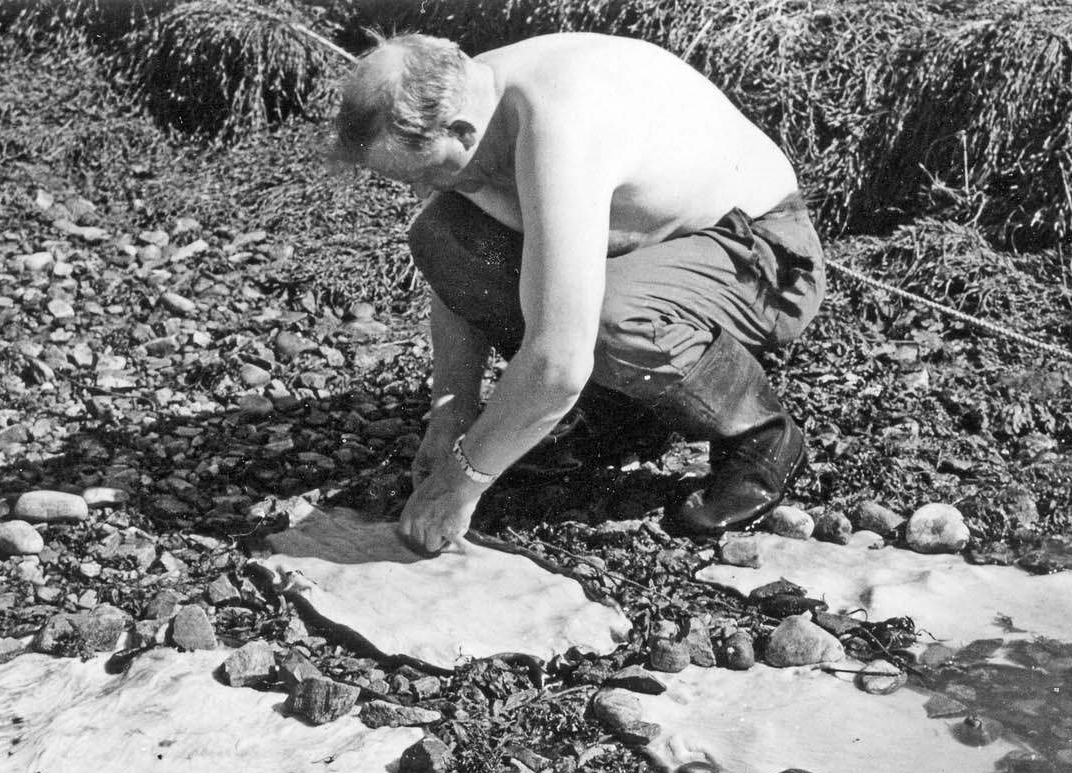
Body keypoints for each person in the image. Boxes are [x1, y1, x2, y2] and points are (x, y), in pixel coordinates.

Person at [328, 31, 825, 554]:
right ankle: (623, 421)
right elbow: (455, 280)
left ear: (460, 130)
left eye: (427, 171)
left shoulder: (558, 123)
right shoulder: (474, 87)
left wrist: (462, 480)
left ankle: (759, 433)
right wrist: (453, 411)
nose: (421, 189)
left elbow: (558, 360)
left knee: (610, 318)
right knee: (444, 232)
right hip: (653, 244)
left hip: (766, 258)